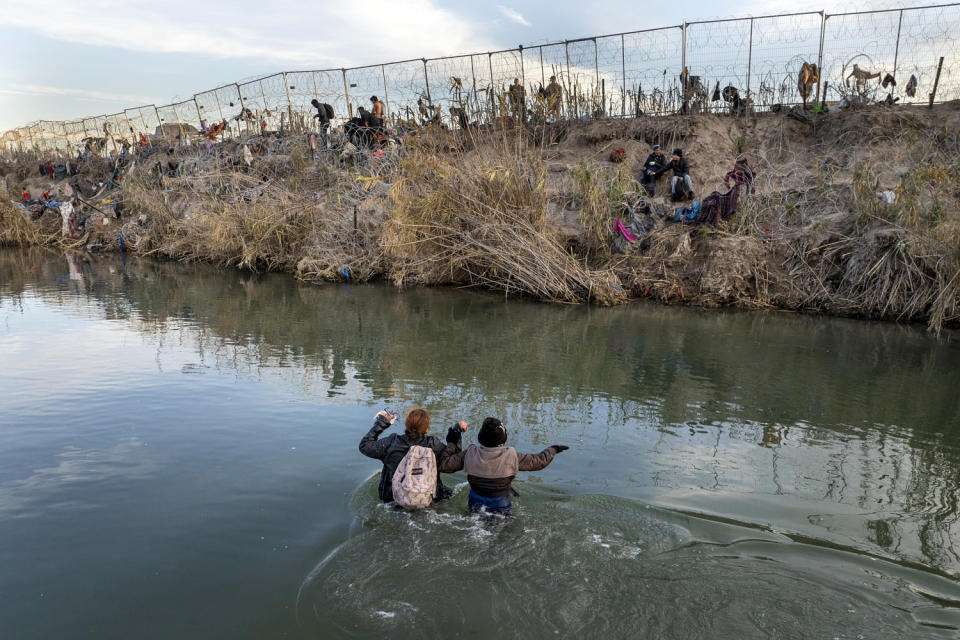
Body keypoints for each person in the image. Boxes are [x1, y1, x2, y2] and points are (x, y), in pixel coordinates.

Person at [438, 417, 568, 515]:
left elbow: (445, 465)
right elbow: (539, 462)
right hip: (500, 503)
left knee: (475, 524)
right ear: (503, 438)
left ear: (480, 437)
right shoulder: (511, 455)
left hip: (475, 500)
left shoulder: (470, 453)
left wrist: (453, 438)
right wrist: (553, 449)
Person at [359, 407, 466, 504]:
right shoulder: (433, 444)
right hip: (429, 499)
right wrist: (456, 431)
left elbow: (365, 446)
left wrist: (382, 423)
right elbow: (453, 461)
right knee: (445, 495)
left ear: (407, 425)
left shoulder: (391, 443)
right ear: (426, 429)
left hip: (394, 499)